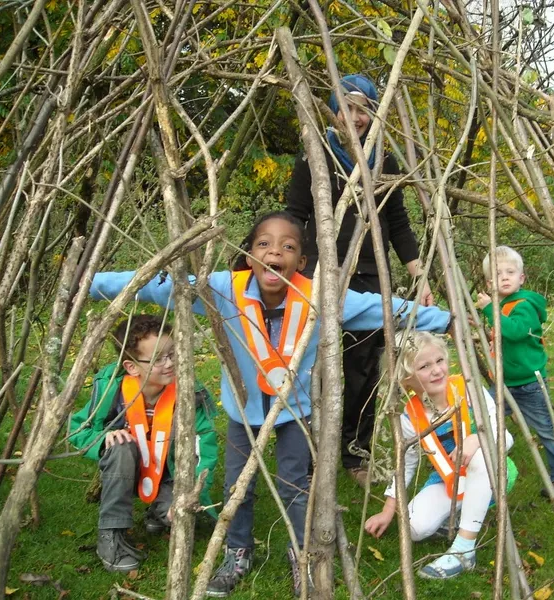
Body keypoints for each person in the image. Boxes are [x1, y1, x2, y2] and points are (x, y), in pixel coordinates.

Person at [88, 211, 451, 597]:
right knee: (237, 487)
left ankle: (302, 555)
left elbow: (381, 307)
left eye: (288, 246)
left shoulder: (320, 297)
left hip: (295, 412)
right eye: (264, 243)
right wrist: (92, 284)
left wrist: (447, 320)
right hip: (242, 412)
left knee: (296, 483)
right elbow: (160, 285)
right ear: (248, 254)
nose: (274, 252)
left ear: (302, 262)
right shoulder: (224, 289)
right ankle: (237, 551)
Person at [285, 73, 434, 487]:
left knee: (364, 369)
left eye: (363, 109)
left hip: (371, 277)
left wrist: (418, 277)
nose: (355, 117)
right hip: (319, 275)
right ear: (333, 111)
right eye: (346, 107)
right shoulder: (315, 155)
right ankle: (311, 454)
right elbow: (295, 214)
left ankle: (355, 452)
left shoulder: (384, 160)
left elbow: (399, 224)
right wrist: (291, 267)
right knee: (312, 365)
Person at [69, 314, 218, 572]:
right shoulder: (111, 390)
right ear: (132, 367)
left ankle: (160, 511)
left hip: (169, 475)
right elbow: (77, 430)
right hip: (128, 469)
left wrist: (193, 494)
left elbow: (202, 447)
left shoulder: (189, 393)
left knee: (185, 519)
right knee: (120, 447)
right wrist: (102, 439)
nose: (170, 363)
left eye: (172, 353)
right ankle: (111, 535)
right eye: (158, 358)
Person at [364, 332, 517, 580]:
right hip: (450, 480)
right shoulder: (410, 417)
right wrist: (388, 509)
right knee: (414, 526)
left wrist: (476, 439)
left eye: (439, 361)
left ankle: (464, 549)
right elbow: (407, 465)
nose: (437, 370)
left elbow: (506, 438)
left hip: (493, 471)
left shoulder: (469, 389)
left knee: (479, 458)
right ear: (405, 379)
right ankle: (462, 516)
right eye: (424, 366)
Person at [476, 245, 554, 498]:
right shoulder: (503, 305)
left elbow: (516, 331)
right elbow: (502, 335)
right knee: (484, 418)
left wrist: (490, 309)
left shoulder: (524, 305)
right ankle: (481, 468)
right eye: (498, 274)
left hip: (528, 384)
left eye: (511, 272)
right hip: (504, 382)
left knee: (547, 430)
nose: (505, 277)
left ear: (521, 278)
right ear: (490, 283)